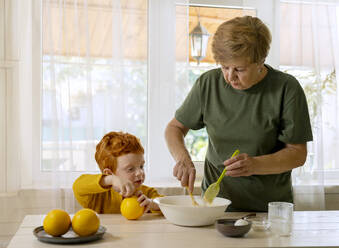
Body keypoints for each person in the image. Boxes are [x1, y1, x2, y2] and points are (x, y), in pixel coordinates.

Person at [165, 16, 313, 212]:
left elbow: (297, 154)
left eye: (239, 69)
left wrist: (255, 165)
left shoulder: (287, 88)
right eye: (224, 67)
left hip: (269, 209)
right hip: (214, 207)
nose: (229, 77)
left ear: (261, 60)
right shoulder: (208, 84)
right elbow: (174, 128)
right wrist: (183, 159)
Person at [73, 131, 162, 214]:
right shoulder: (96, 196)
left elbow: (170, 205)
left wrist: (153, 204)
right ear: (109, 173)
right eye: (130, 169)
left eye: (141, 166)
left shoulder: (147, 193)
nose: (140, 173)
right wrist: (111, 180)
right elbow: (77, 186)